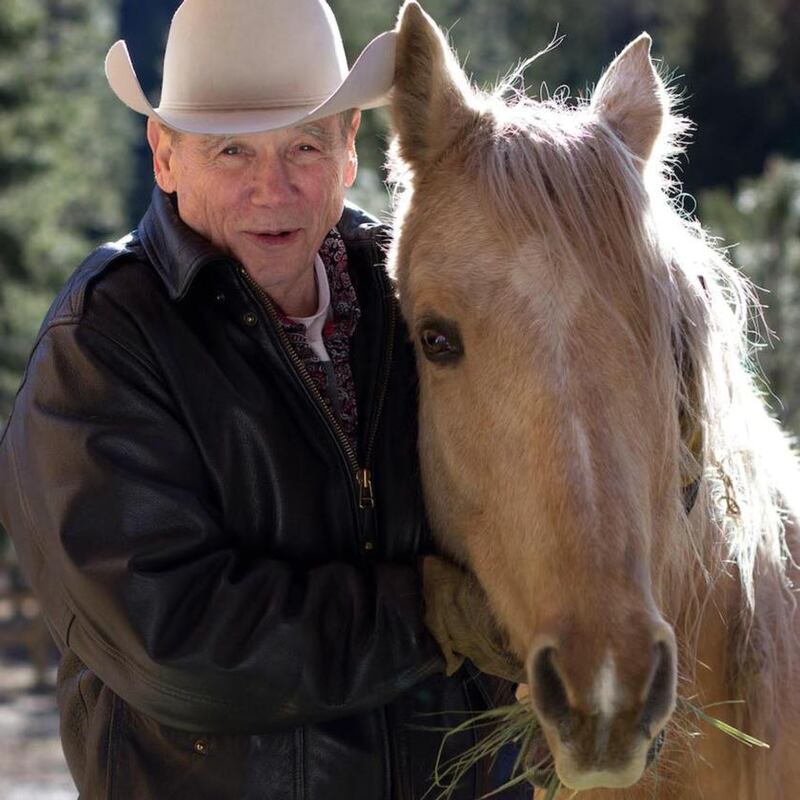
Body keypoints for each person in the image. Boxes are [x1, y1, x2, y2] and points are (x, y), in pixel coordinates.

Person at [0, 1, 527, 798]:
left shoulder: (416, 301)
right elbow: (173, 640)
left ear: (351, 151)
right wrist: (428, 618)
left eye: (305, 146)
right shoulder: (103, 341)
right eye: (232, 152)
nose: (271, 189)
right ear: (165, 157)